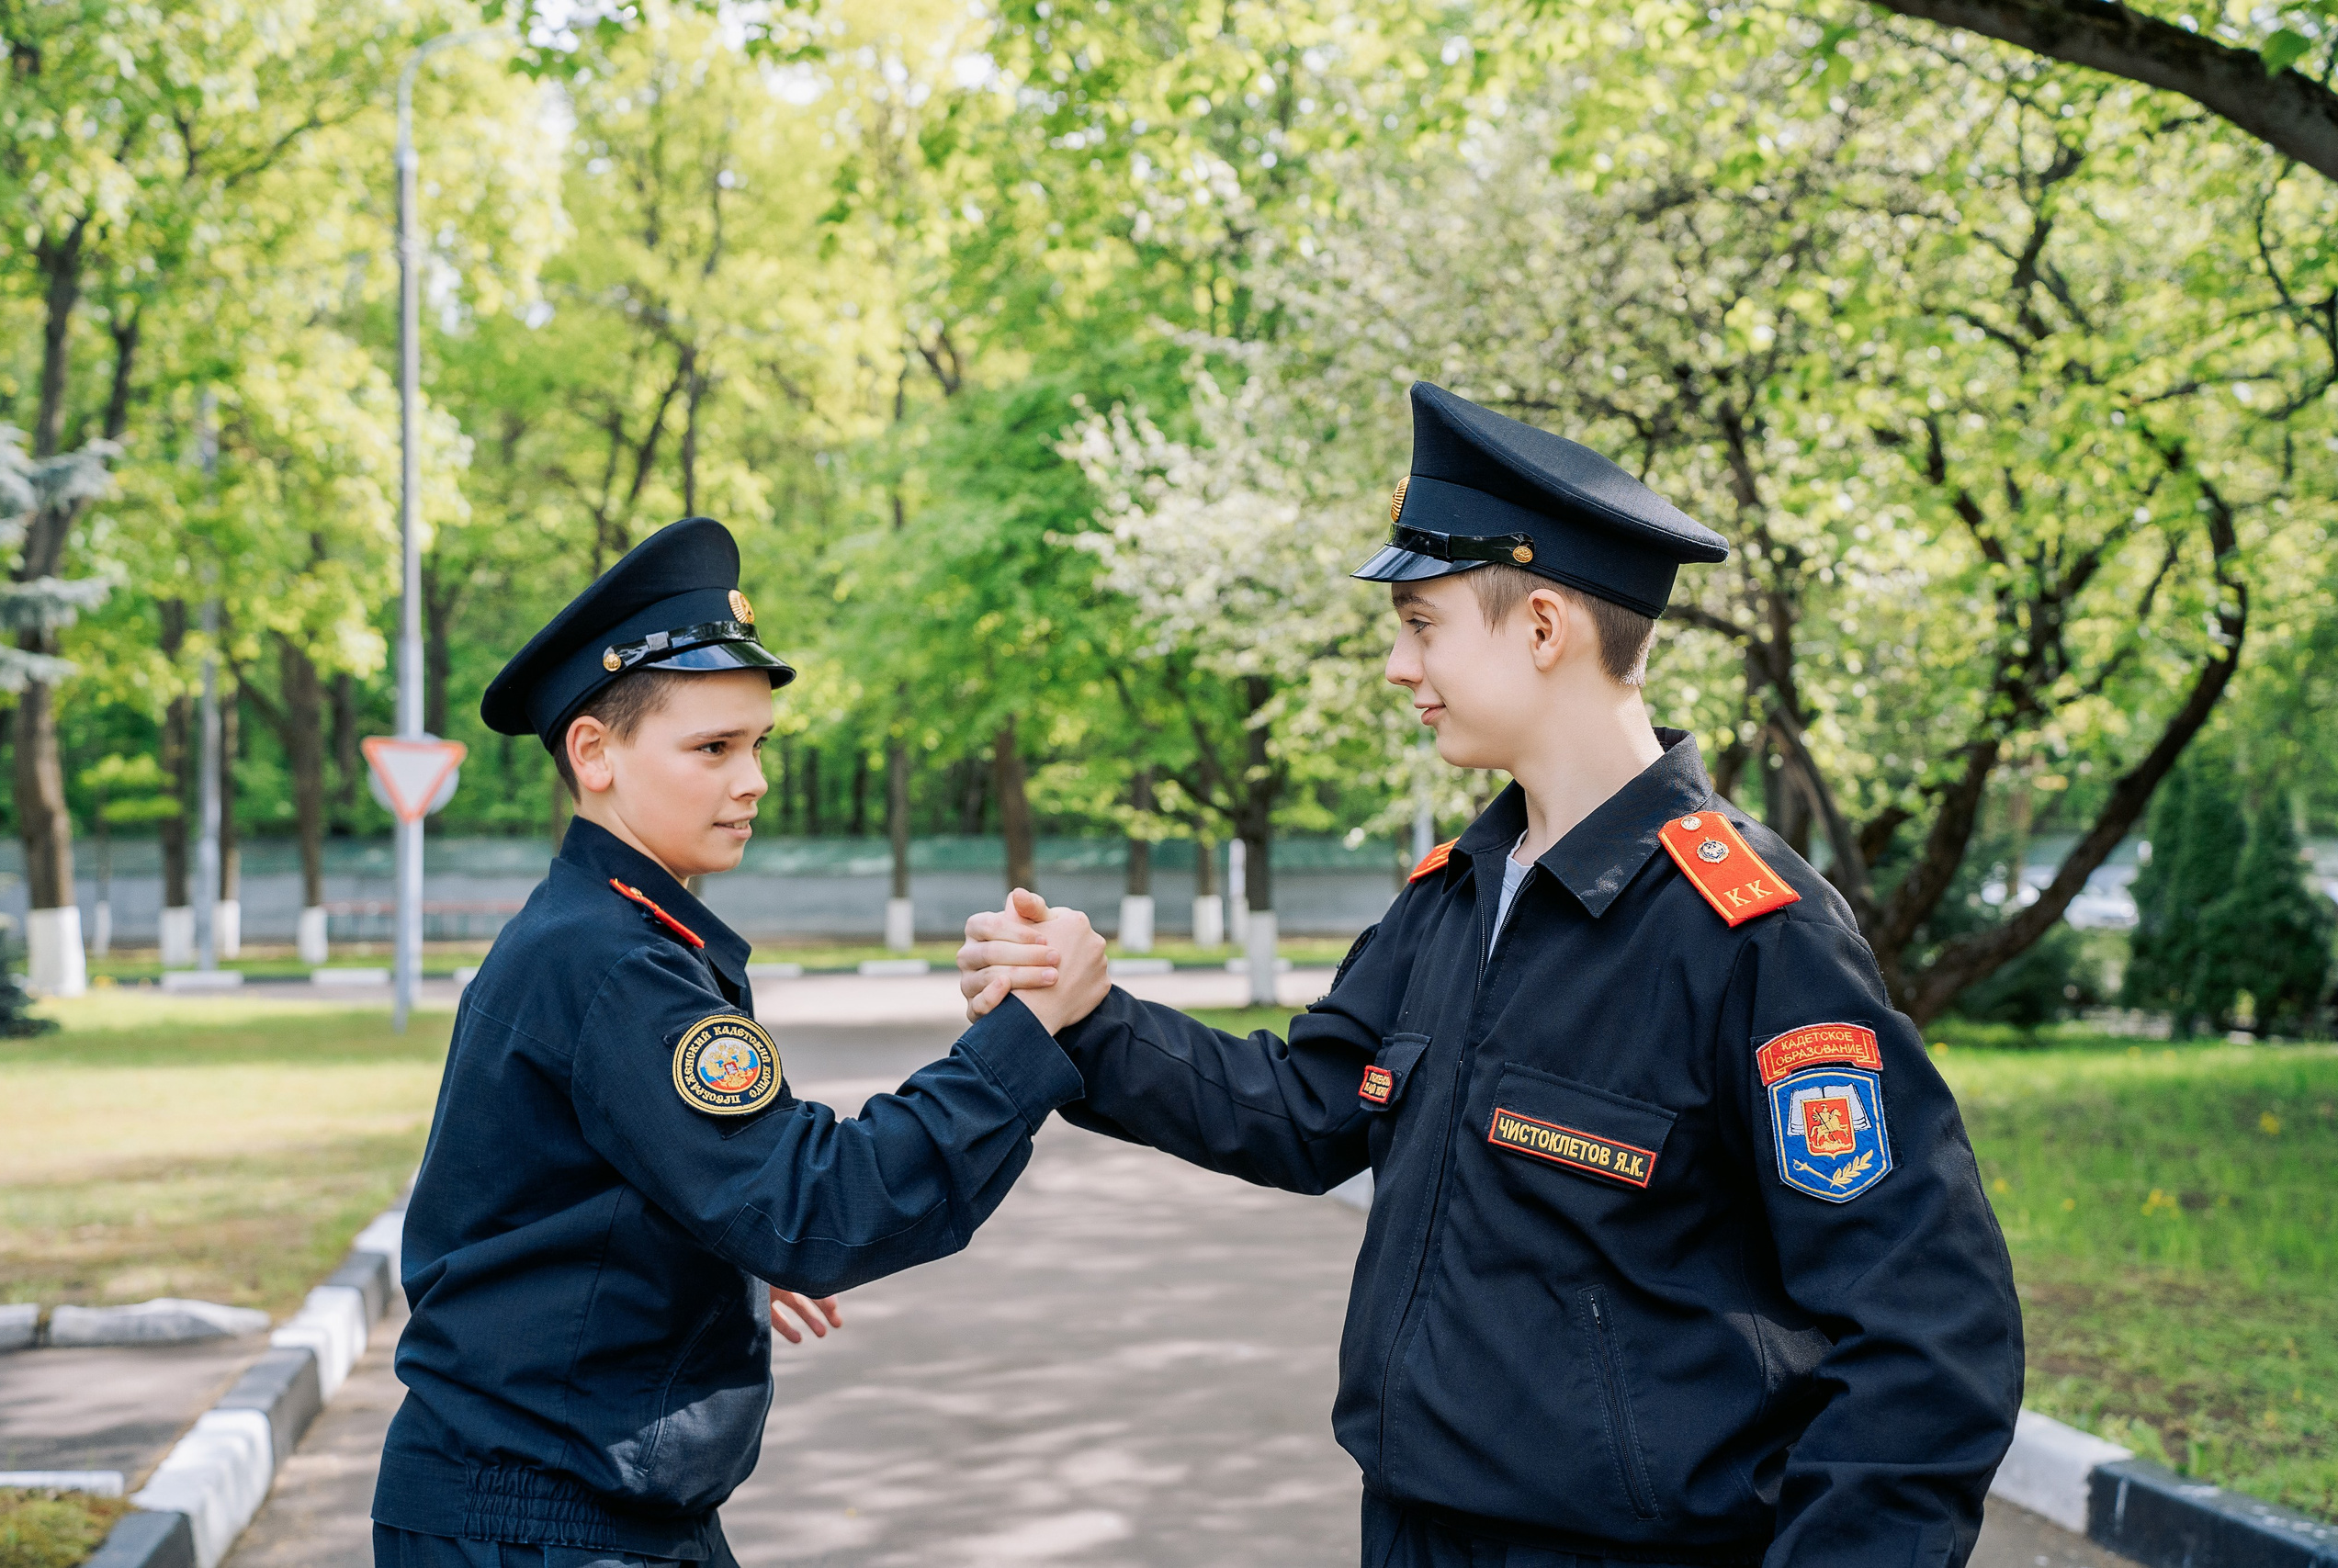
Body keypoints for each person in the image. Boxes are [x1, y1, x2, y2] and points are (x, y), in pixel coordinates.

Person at [960, 384, 2023, 1568]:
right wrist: (1089, 1015)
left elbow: (1930, 1337)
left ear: (1541, 628)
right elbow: (1306, 1109)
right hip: (1414, 1530)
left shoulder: (1753, 936)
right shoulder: (1458, 893)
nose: (1394, 666)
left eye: (1419, 625)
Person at [374, 517, 1108, 1568]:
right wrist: (1029, 1031)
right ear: (595, 755)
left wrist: (714, 1242)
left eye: (757, 744)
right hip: (545, 1522)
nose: (752, 779)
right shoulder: (617, 961)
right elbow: (816, 1207)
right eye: (712, 748)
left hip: (571, 1505)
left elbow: (581, 1188)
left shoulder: (605, 934)